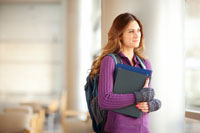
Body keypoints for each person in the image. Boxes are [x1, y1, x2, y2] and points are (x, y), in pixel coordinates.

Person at [90, 13, 161, 133]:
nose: (137, 35)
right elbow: (105, 100)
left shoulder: (145, 63)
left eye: (138, 31)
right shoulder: (110, 61)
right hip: (117, 128)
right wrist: (138, 96)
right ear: (120, 35)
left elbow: (146, 96)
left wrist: (154, 104)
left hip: (142, 129)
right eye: (131, 31)